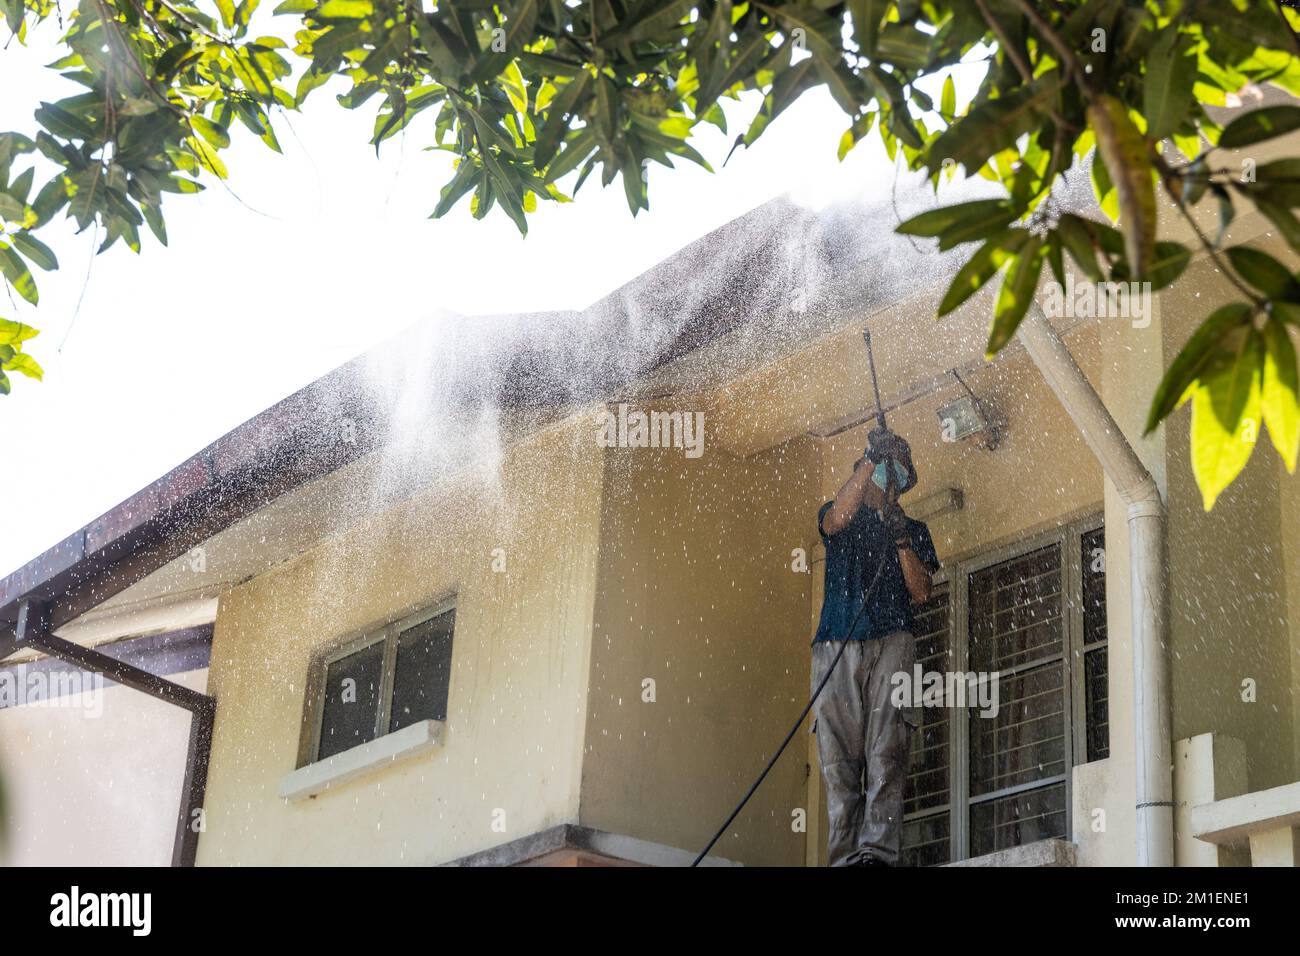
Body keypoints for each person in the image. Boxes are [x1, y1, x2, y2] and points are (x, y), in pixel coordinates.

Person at [812, 428, 938, 866]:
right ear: (862, 475)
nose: (889, 480)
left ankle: (877, 854)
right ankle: (845, 857)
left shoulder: (914, 529)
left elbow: (920, 590)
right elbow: (834, 520)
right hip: (837, 643)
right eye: (883, 469)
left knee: (887, 748)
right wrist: (870, 456)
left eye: (895, 472)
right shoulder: (841, 514)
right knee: (838, 759)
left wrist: (901, 538)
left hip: (893, 641)